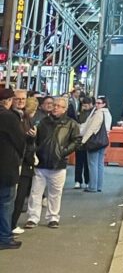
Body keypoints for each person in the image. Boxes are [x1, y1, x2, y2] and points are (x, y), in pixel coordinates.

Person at [26, 95, 81, 228]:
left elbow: (77, 141)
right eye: (54, 105)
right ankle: (33, 218)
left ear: (65, 109)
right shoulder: (42, 122)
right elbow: (35, 139)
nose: (55, 108)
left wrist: (63, 152)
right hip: (41, 162)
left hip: (58, 163)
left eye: (59, 106)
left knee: (55, 194)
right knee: (35, 192)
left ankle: (53, 217)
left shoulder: (71, 124)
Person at [0, 87, 26, 249]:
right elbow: (20, 140)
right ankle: (4, 237)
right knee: (6, 203)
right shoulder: (9, 117)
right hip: (6, 167)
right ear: (9, 101)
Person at [10, 90, 36, 233]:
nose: (20, 101)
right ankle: (7, 227)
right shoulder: (8, 116)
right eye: (17, 99)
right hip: (12, 162)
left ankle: (12, 224)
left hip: (26, 161)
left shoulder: (27, 117)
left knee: (20, 197)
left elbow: (31, 142)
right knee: (10, 198)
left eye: (23, 99)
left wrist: (32, 137)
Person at [80, 95, 112, 192]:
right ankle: (99, 186)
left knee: (92, 164)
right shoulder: (108, 114)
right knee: (100, 164)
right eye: (96, 103)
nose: (96, 105)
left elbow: (92, 129)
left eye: (99, 103)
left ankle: (92, 186)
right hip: (103, 141)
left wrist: (83, 140)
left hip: (94, 141)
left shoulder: (98, 114)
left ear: (104, 104)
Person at [73, 94, 93, 189]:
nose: (84, 107)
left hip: (85, 140)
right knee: (81, 162)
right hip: (81, 140)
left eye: (86, 105)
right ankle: (81, 181)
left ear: (90, 104)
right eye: (83, 105)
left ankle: (83, 181)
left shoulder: (91, 114)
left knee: (84, 162)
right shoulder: (80, 113)